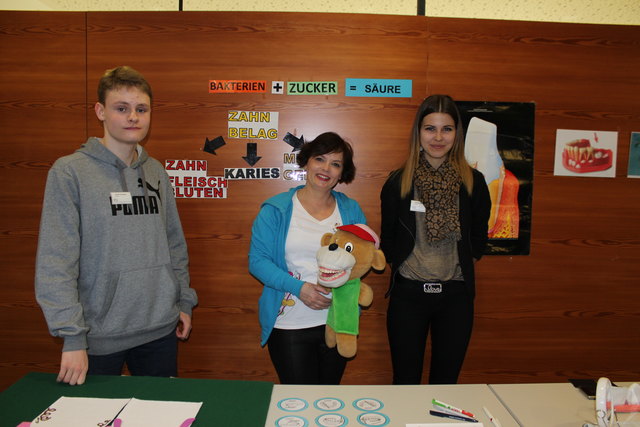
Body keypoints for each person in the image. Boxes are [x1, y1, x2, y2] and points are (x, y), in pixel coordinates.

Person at [35, 66, 198, 386]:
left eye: (141, 109)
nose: (133, 117)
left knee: (160, 416)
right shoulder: (70, 172)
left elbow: (174, 243)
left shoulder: (156, 172)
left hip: (159, 330)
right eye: (121, 109)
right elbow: (56, 261)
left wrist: (182, 301)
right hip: (97, 336)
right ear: (101, 111)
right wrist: (71, 336)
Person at [380, 94, 491, 384]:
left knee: (446, 384)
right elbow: (389, 238)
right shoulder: (398, 181)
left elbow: (479, 236)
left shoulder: (474, 182)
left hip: (455, 298)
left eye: (447, 129)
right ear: (418, 132)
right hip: (408, 297)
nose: (438, 137)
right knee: (404, 381)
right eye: (430, 128)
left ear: (457, 134)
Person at [249, 132, 366, 384]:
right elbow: (257, 261)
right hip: (290, 324)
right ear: (306, 162)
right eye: (320, 159)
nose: (326, 169)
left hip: (336, 322)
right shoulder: (276, 209)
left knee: (328, 402)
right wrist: (299, 288)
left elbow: (362, 259)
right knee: (297, 403)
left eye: (335, 164)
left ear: (342, 173)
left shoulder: (351, 210)